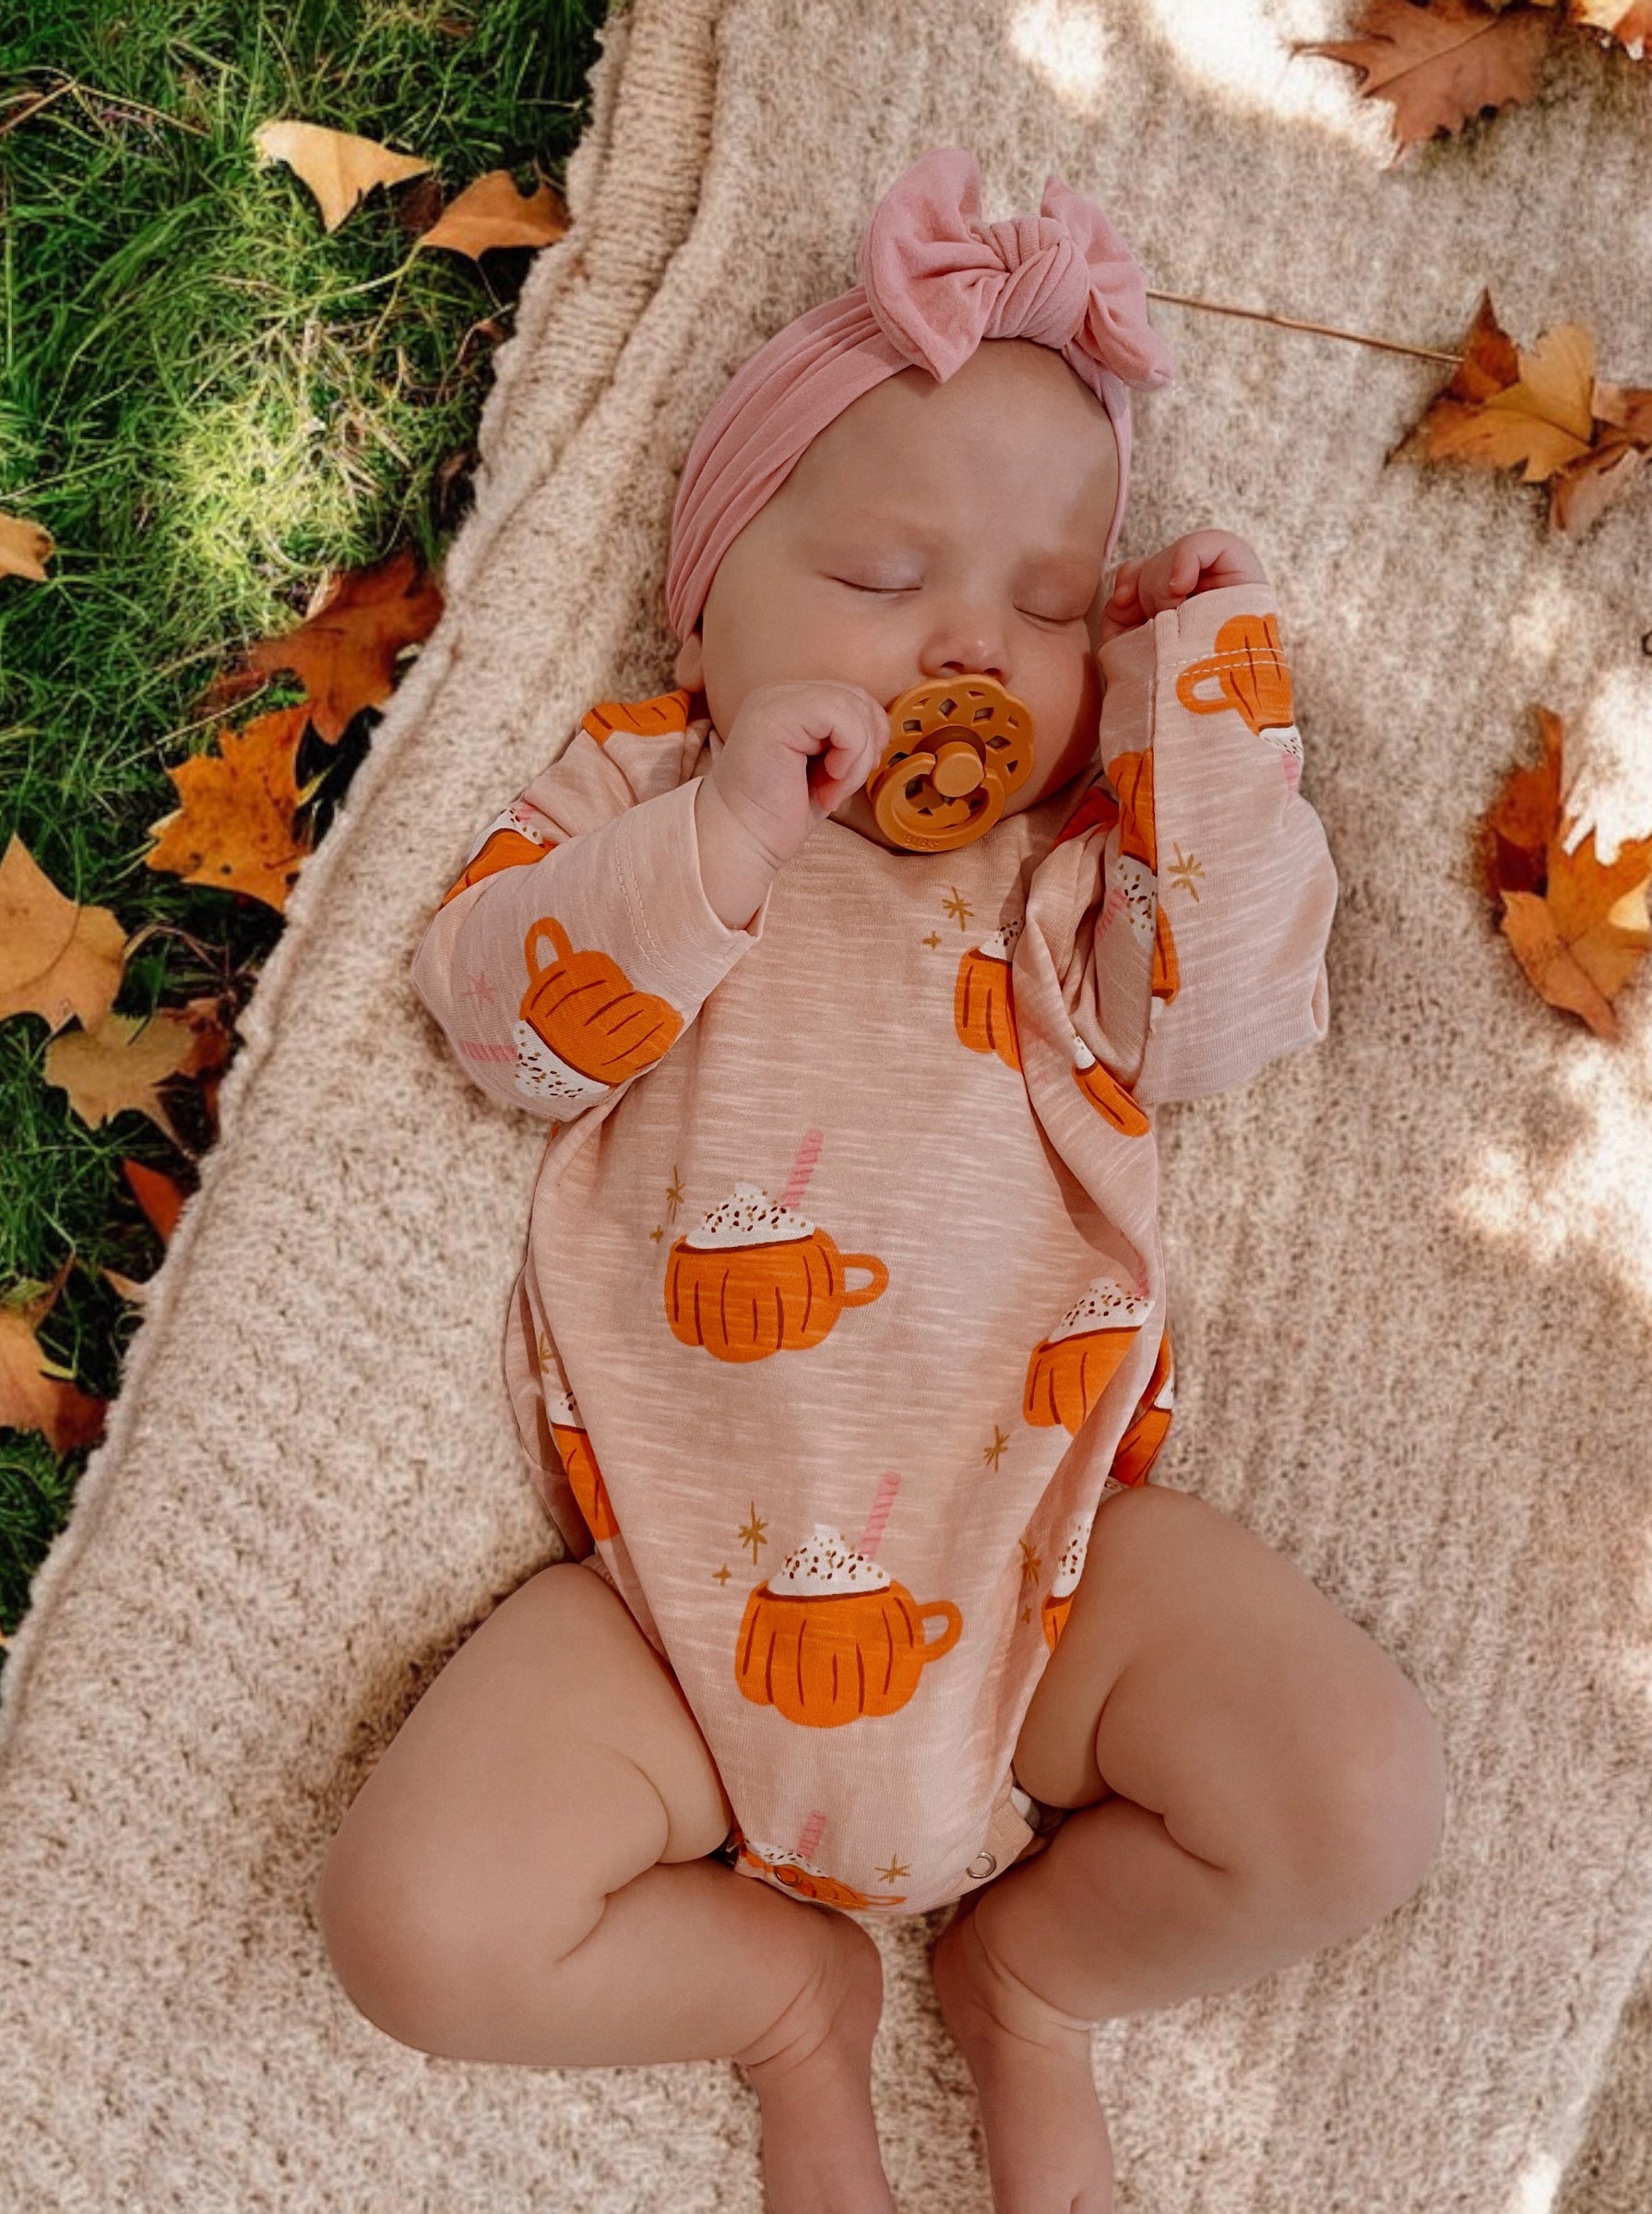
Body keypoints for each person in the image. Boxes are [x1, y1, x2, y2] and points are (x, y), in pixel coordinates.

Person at [315, 147, 1446, 2214]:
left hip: (1043, 1553)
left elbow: (1223, 1020)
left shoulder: (1065, 872)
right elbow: (495, 1023)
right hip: (670, 1591)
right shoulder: (641, 791)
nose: (961, 652)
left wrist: (1200, 730)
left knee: (1352, 1798)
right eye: (873, 580)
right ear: (710, 587)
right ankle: (780, 2005)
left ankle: (1027, 1987)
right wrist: (724, 836)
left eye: (1038, 609)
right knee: (417, 1924)